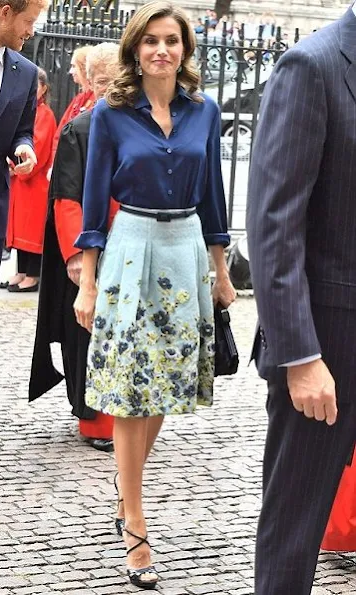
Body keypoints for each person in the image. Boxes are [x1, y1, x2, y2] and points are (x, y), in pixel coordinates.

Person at [73, 0, 236, 589]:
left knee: (163, 385)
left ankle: (126, 491)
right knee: (129, 388)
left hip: (186, 250)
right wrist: (87, 282)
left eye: (172, 40)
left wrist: (221, 272)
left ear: (185, 51)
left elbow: (214, 194)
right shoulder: (110, 114)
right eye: (151, 41)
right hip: (130, 250)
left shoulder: (207, 110)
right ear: (135, 51)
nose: (162, 50)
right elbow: (94, 203)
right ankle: (135, 518)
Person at [246, 4, 356, 595]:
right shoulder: (311, 66)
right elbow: (273, 225)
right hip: (329, 347)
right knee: (294, 529)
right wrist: (300, 356)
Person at [29, 43, 120, 452]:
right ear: (92, 83)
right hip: (90, 248)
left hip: (132, 245)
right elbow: (67, 198)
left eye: (117, 80)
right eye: (103, 82)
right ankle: (96, 421)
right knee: (89, 337)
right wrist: (75, 257)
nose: (111, 89)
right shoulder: (79, 129)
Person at [0, 0, 48, 305]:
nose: (31, 31)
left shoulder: (26, 73)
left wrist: (24, 146)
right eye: (29, 21)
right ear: (5, 12)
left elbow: (23, 129)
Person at [0, 67, 56, 293]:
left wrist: (13, 166)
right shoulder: (32, 111)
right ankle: (21, 272)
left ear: (43, 88)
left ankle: (32, 275)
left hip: (33, 182)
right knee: (20, 231)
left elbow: (39, 147)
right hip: (21, 183)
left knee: (30, 232)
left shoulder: (45, 114)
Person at [50, 45, 94, 166]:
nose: (70, 71)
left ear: (84, 69)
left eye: (74, 66)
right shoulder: (79, 98)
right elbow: (60, 133)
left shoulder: (95, 99)